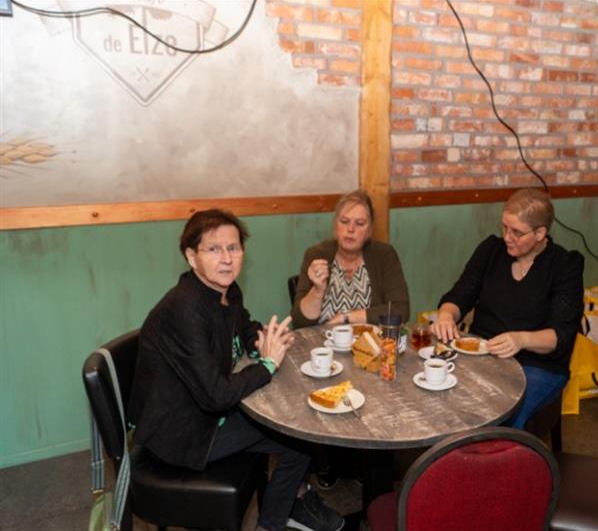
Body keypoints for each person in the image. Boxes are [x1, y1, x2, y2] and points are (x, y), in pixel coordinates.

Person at [128, 209, 343, 531]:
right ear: (191, 256)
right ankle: (279, 517)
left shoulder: (225, 291)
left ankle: (280, 514)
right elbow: (216, 396)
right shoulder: (184, 309)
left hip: (204, 413)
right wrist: (267, 364)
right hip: (182, 432)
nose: (227, 259)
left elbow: (244, 328)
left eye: (234, 248)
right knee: (299, 433)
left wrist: (263, 340)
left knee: (299, 435)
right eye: (214, 249)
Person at [431, 189, 584, 429]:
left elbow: (562, 335)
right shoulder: (491, 251)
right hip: (483, 354)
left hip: (536, 364)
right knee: (440, 397)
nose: (507, 237)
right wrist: (446, 315)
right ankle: (452, 453)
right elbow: (459, 295)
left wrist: (521, 339)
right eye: (504, 228)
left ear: (540, 233)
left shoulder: (565, 265)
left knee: (502, 414)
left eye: (517, 232)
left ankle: (498, 453)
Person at [291, 190, 409, 328]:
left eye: (360, 223)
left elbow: (401, 311)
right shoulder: (316, 254)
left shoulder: (384, 255)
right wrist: (317, 291)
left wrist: (346, 317)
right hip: (322, 339)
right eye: (344, 221)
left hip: (368, 339)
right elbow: (299, 322)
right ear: (335, 224)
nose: (350, 229)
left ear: (369, 229)